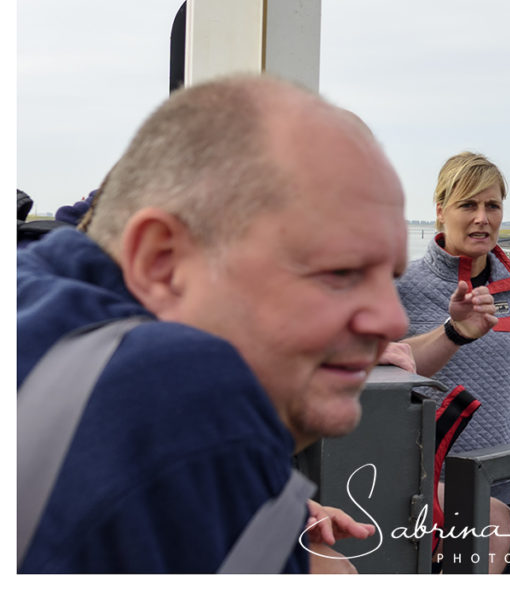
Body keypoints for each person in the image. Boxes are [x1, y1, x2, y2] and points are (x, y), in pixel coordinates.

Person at [17, 75, 409, 573]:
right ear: (162, 262)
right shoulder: (178, 392)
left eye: (390, 276)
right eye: (339, 271)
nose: (393, 319)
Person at [395, 152, 510, 573]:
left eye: (492, 206)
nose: (482, 218)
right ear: (441, 210)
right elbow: (376, 370)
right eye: (468, 205)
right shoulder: (403, 286)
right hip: (428, 480)